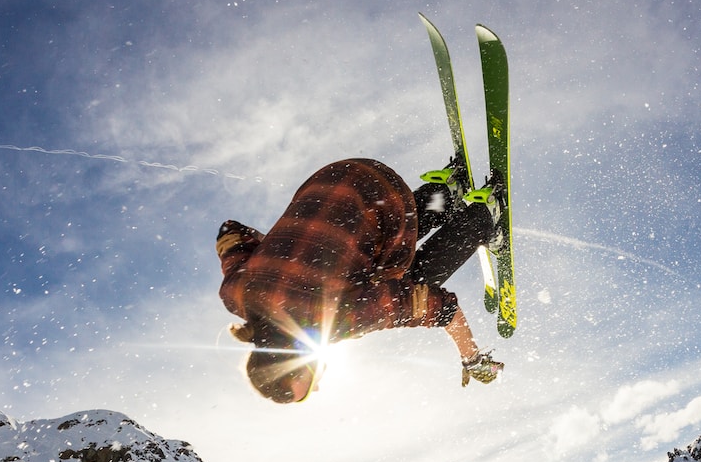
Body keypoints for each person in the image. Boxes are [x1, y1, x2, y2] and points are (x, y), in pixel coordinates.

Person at [216, 158, 505, 404]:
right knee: (363, 254)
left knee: (410, 281)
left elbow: (437, 307)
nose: (317, 388)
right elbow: (229, 232)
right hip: (337, 175)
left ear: (293, 362)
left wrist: (472, 359)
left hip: (390, 195)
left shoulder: (335, 319)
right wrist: (292, 256)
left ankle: (482, 217)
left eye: (305, 391)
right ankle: (445, 193)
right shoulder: (236, 294)